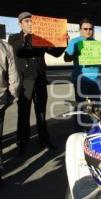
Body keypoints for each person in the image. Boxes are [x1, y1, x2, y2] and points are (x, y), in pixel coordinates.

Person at [8, 12, 66, 155]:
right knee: (23, 114)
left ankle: (44, 140)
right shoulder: (14, 38)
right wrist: (28, 37)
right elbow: (18, 50)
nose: (30, 23)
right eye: (26, 21)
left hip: (39, 80)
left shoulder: (41, 38)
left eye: (31, 21)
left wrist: (64, 42)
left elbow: (56, 53)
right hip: (24, 81)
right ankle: (22, 143)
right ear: (20, 23)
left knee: (41, 113)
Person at [64, 18, 101, 131]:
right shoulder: (74, 42)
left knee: (95, 107)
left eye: (90, 29)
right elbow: (66, 58)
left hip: (96, 79)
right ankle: (79, 131)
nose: (88, 31)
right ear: (80, 29)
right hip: (81, 79)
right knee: (81, 107)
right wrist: (75, 52)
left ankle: (95, 130)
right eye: (85, 29)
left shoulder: (96, 43)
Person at [0, 39, 19, 184]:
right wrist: (12, 94)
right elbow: (13, 75)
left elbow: (13, 74)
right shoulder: (6, 46)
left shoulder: (6, 46)